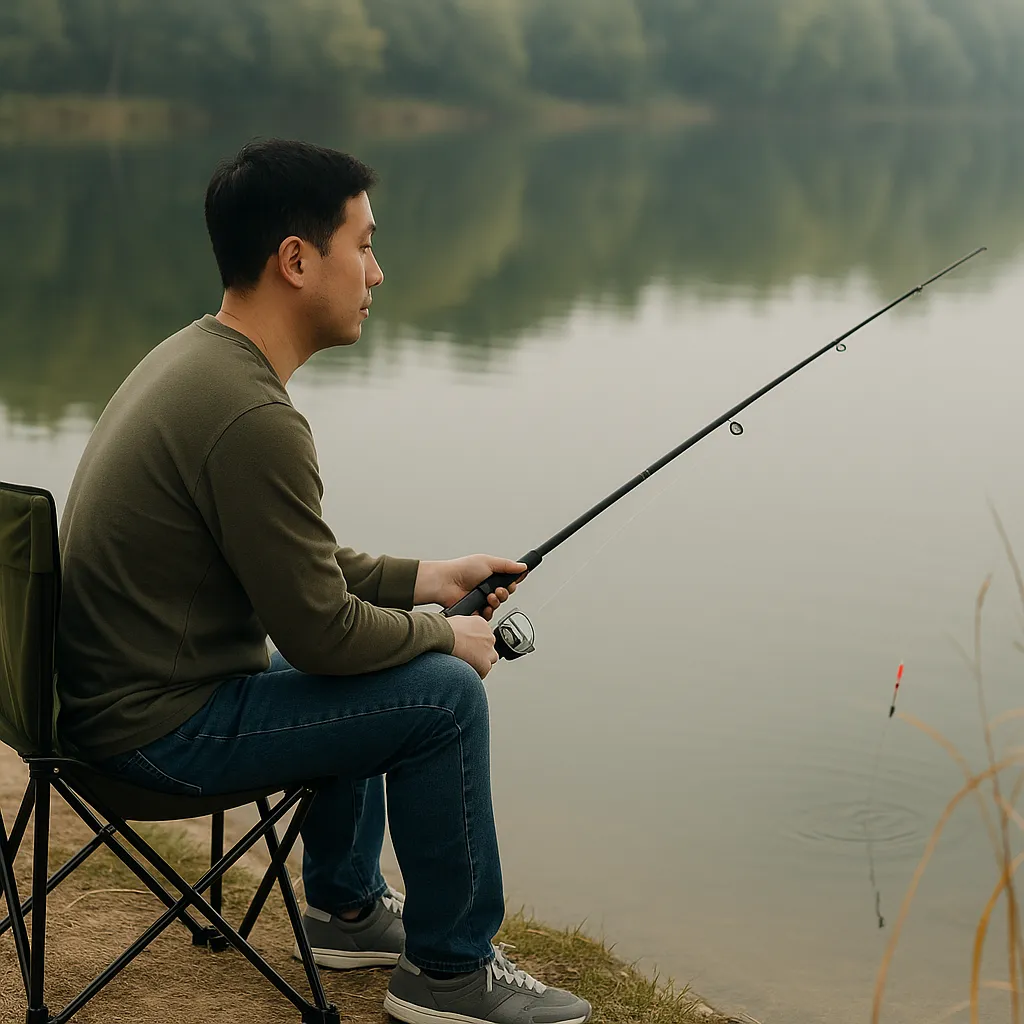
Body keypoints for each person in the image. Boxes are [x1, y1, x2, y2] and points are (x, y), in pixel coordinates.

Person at [55, 139, 591, 1024]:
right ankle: (450, 975)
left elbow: (291, 567)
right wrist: (444, 635)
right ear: (297, 260)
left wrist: (427, 579)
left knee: (377, 660)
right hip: (148, 738)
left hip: (106, 706)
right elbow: (319, 632)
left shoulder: (195, 360)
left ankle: (344, 908)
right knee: (442, 697)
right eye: (366, 245)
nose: (378, 272)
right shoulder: (253, 414)